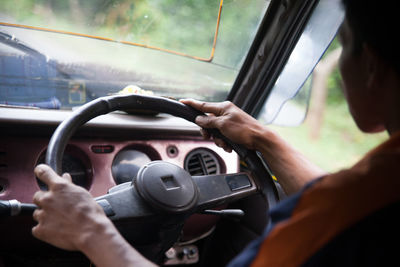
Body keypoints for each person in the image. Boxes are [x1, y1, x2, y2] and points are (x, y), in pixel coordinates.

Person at [32, 0, 400, 266]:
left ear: (372, 67)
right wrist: (262, 139)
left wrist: (90, 230)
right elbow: (335, 200)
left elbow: (342, 211)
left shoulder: (348, 219)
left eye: (346, 44)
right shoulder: (377, 186)